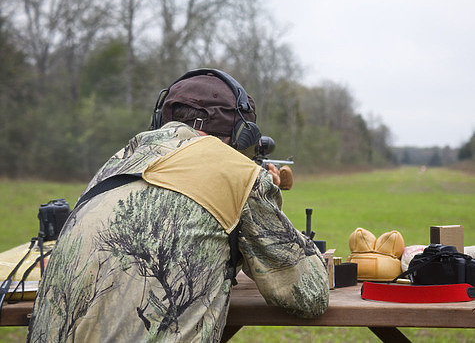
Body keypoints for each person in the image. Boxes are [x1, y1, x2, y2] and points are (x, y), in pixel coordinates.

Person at [27, 69, 329, 342]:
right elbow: (308, 294)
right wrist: (263, 199)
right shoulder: (237, 173)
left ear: (161, 120)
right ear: (241, 136)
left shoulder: (117, 163)